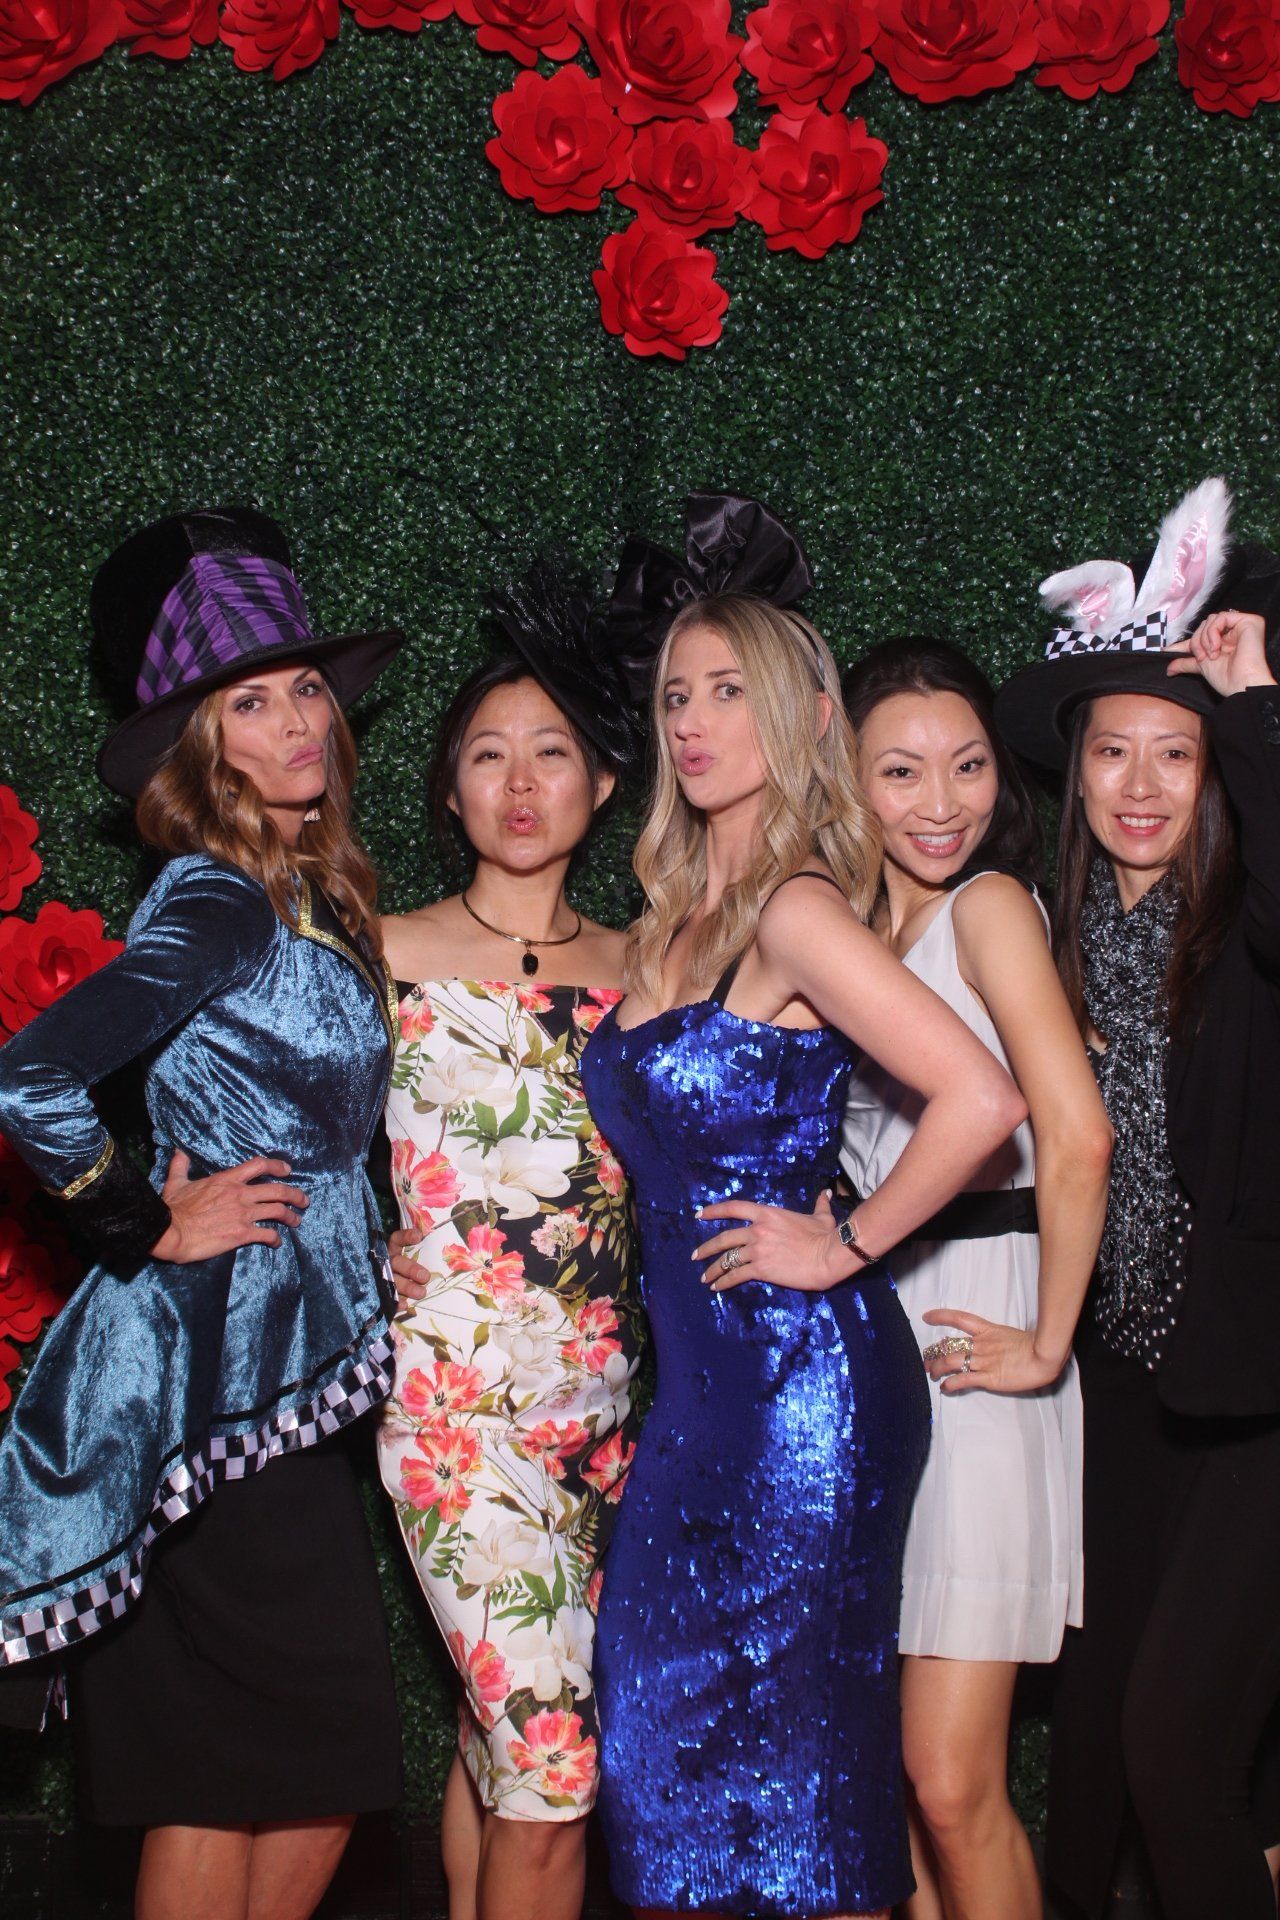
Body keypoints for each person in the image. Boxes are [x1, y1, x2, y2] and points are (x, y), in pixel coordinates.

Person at [578, 493, 1029, 1920]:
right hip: (698, 1397)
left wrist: (846, 1243)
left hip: (803, 1396)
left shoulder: (795, 910)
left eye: (730, 691)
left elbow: (982, 1098)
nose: (695, 722)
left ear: (799, 715)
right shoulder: (667, 917)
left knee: (797, 1788)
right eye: (677, 695)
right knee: (657, 1756)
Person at [0, 508, 404, 1920]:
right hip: (206, 1371)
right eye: (252, 703)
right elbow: (33, 1074)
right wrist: (140, 1222)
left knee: (268, 1765)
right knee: (247, 1762)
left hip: (276, 1369)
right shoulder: (221, 899)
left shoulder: (305, 889)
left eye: (304, 689)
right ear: (204, 745)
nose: (295, 722)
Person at [995, 476, 1280, 1920]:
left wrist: (1256, 709)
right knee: (1097, 1722)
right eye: (1113, 751)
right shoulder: (1055, 939)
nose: (1142, 785)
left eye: (1179, 752)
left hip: (1261, 1394)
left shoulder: (1247, 930)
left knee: (1176, 1753)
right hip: (1122, 1378)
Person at [375, 558, 646, 1920]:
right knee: (554, 1772)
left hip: (603, 1416)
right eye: (488, 754)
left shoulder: (651, 965)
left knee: (499, 1748)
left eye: (553, 752)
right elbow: (282, 1129)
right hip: (453, 1413)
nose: (521, 781)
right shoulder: (382, 954)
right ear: (448, 789)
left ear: (603, 782)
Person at [839, 637, 1111, 1920]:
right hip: (878, 1344)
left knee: (948, 1782)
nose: (938, 802)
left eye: (966, 766)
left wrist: (1047, 1341)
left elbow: (1076, 1133)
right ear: (845, 779)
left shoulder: (988, 906)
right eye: (898, 771)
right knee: (894, 1785)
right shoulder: (846, 927)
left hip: (980, 1332)